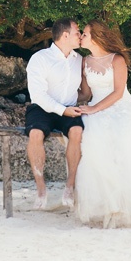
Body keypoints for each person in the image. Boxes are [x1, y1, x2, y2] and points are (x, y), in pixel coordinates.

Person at [73, 20, 131, 228]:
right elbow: (86, 94)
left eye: (85, 34)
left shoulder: (117, 59)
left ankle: (124, 202)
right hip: (96, 108)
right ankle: (107, 203)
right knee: (92, 137)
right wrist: (63, 100)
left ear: (96, 37)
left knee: (124, 136)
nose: (81, 37)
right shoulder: (85, 61)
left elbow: (118, 92)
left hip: (122, 107)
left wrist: (94, 109)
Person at [24, 17, 85, 210]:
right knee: (35, 133)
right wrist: (62, 110)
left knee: (77, 132)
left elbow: (84, 92)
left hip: (69, 108)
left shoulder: (79, 60)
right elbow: (38, 95)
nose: (80, 35)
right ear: (65, 35)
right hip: (42, 109)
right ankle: (41, 189)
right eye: (77, 32)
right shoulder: (40, 58)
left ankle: (69, 186)